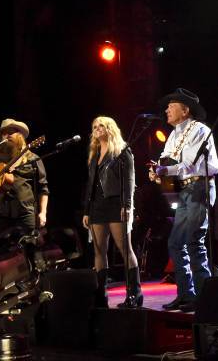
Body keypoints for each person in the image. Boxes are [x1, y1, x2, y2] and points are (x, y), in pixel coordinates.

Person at [149, 88, 218, 313]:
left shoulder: (199, 130)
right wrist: (157, 170)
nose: (167, 109)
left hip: (199, 186)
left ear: (185, 109)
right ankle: (185, 294)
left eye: (172, 105)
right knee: (176, 242)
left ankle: (204, 296)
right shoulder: (173, 134)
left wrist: (164, 170)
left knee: (194, 241)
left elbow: (188, 164)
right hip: (186, 190)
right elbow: (167, 160)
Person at [82, 116, 142, 308]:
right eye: (94, 126)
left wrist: (127, 205)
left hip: (117, 204)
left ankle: (135, 293)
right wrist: (86, 210)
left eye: (101, 125)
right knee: (99, 251)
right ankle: (101, 296)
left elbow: (130, 181)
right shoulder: (94, 153)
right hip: (97, 206)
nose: (97, 129)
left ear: (110, 129)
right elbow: (90, 184)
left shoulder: (122, 151)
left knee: (125, 248)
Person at [0, 118, 49, 235]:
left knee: (29, 248)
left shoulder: (33, 158)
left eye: (10, 132)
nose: (7, 135)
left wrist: (43, 213)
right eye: (3, 133)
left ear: (20, 135)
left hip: (24, 213)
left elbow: (43, 188)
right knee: (3, 251)